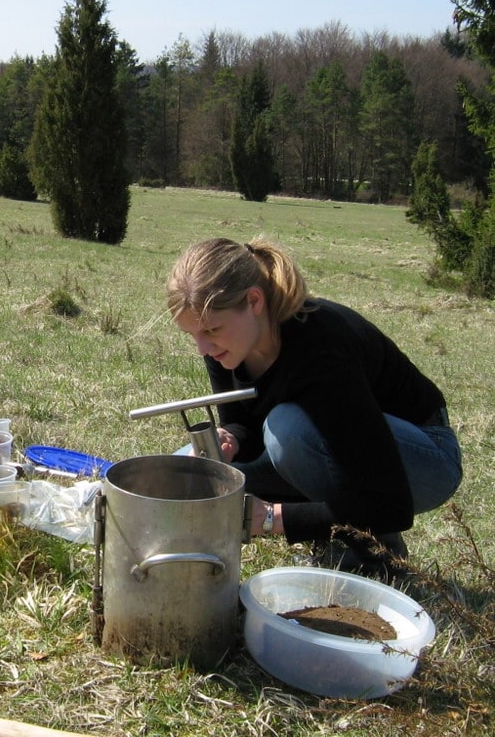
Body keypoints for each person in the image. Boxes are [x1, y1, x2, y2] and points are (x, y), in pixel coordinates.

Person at [165, 237, 462, 579]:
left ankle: (376, 550)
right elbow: (244, 425)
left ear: (254, 301)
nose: (202, 347)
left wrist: (272, 518)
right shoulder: (228, 344)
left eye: (211, 330)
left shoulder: (321, 349)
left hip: (423, 462)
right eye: (192, 335)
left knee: (288, 429)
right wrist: (230, 439)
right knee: (198, 475)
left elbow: (389, 504)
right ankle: (345, 526)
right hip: (331, 452)